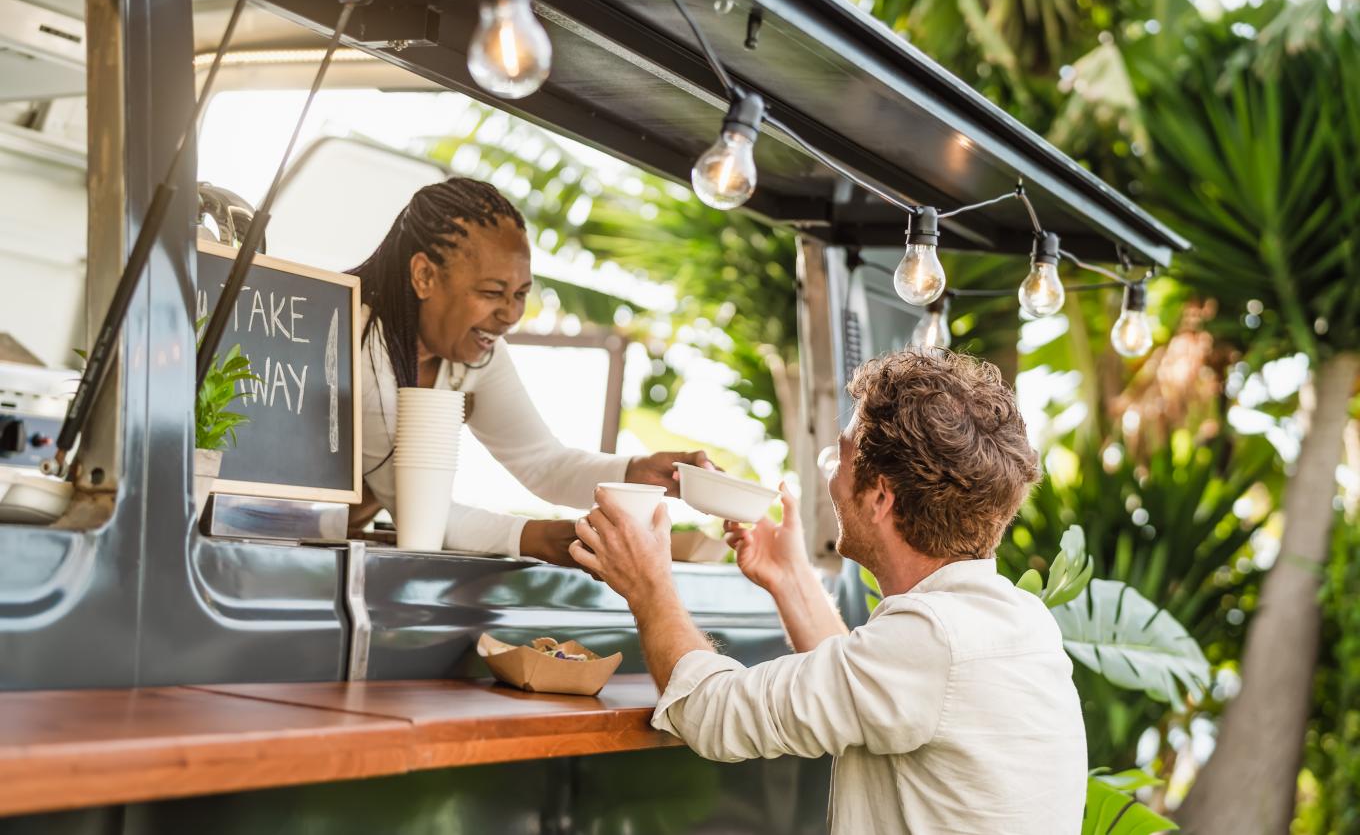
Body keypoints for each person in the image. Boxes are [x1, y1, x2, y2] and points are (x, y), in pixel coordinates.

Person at [570, 349, 1088, 834]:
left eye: (840, 459)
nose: (833, 481)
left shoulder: (933, 640)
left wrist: (648, 582)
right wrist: (790, 577)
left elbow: (709, 713)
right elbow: (870, 691)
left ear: (881, 495)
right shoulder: (1015, 620)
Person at [348, 176, 708, 564]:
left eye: (520, 294)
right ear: (424, 276)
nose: (510, 315)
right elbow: (421, 515)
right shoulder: (356, 341)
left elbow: (543, 464)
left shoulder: (477, 351)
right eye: (491, 293)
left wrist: (637, 472)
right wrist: (548, 539)